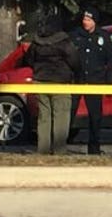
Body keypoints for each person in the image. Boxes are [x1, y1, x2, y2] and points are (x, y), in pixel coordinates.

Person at [23, 14, 79, 155]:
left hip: (40, 81)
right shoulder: (64, 41)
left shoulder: (37, 41)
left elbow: (28, 59)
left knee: (44, 116)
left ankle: (43, 149)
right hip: (60, 82)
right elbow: (74, 60)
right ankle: (59, 150)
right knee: (61, 116)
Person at [71, 7, 112, 155]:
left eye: (89, 20)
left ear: (94, 22)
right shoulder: (76, 36)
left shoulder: (103, 37)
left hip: (95, 82)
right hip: (77, 81)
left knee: (95, 116)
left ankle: (94, 148)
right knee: (69, 113)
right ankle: (60, 145)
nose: (85, 22)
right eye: (84, 19)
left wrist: (109, 83)